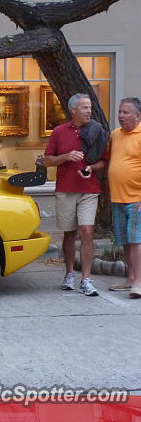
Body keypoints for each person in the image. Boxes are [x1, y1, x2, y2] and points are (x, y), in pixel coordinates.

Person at [44, 93, 107, 296]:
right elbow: (47, 160)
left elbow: (104, 161)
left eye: (89, 107)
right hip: (66, 188)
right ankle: (69, 273)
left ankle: (86, 279)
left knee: (87, 232)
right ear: (73, 110)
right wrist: (66, 156)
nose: (89, 111)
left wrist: (91, 167)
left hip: (89, 189)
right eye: (85, 107)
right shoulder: (59, 132)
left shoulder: (97, 131)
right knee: (69, 233)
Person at [90, 97, 141, 298]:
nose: (120, 116)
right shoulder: (115, 135)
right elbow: (106, 160)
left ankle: (138, 282)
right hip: (118, 198)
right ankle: (130, 278)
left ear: (137, 115)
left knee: (136, 241)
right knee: (126, 241)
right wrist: (91, 168)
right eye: (120, 112)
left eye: (125, 112)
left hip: (136, 199)